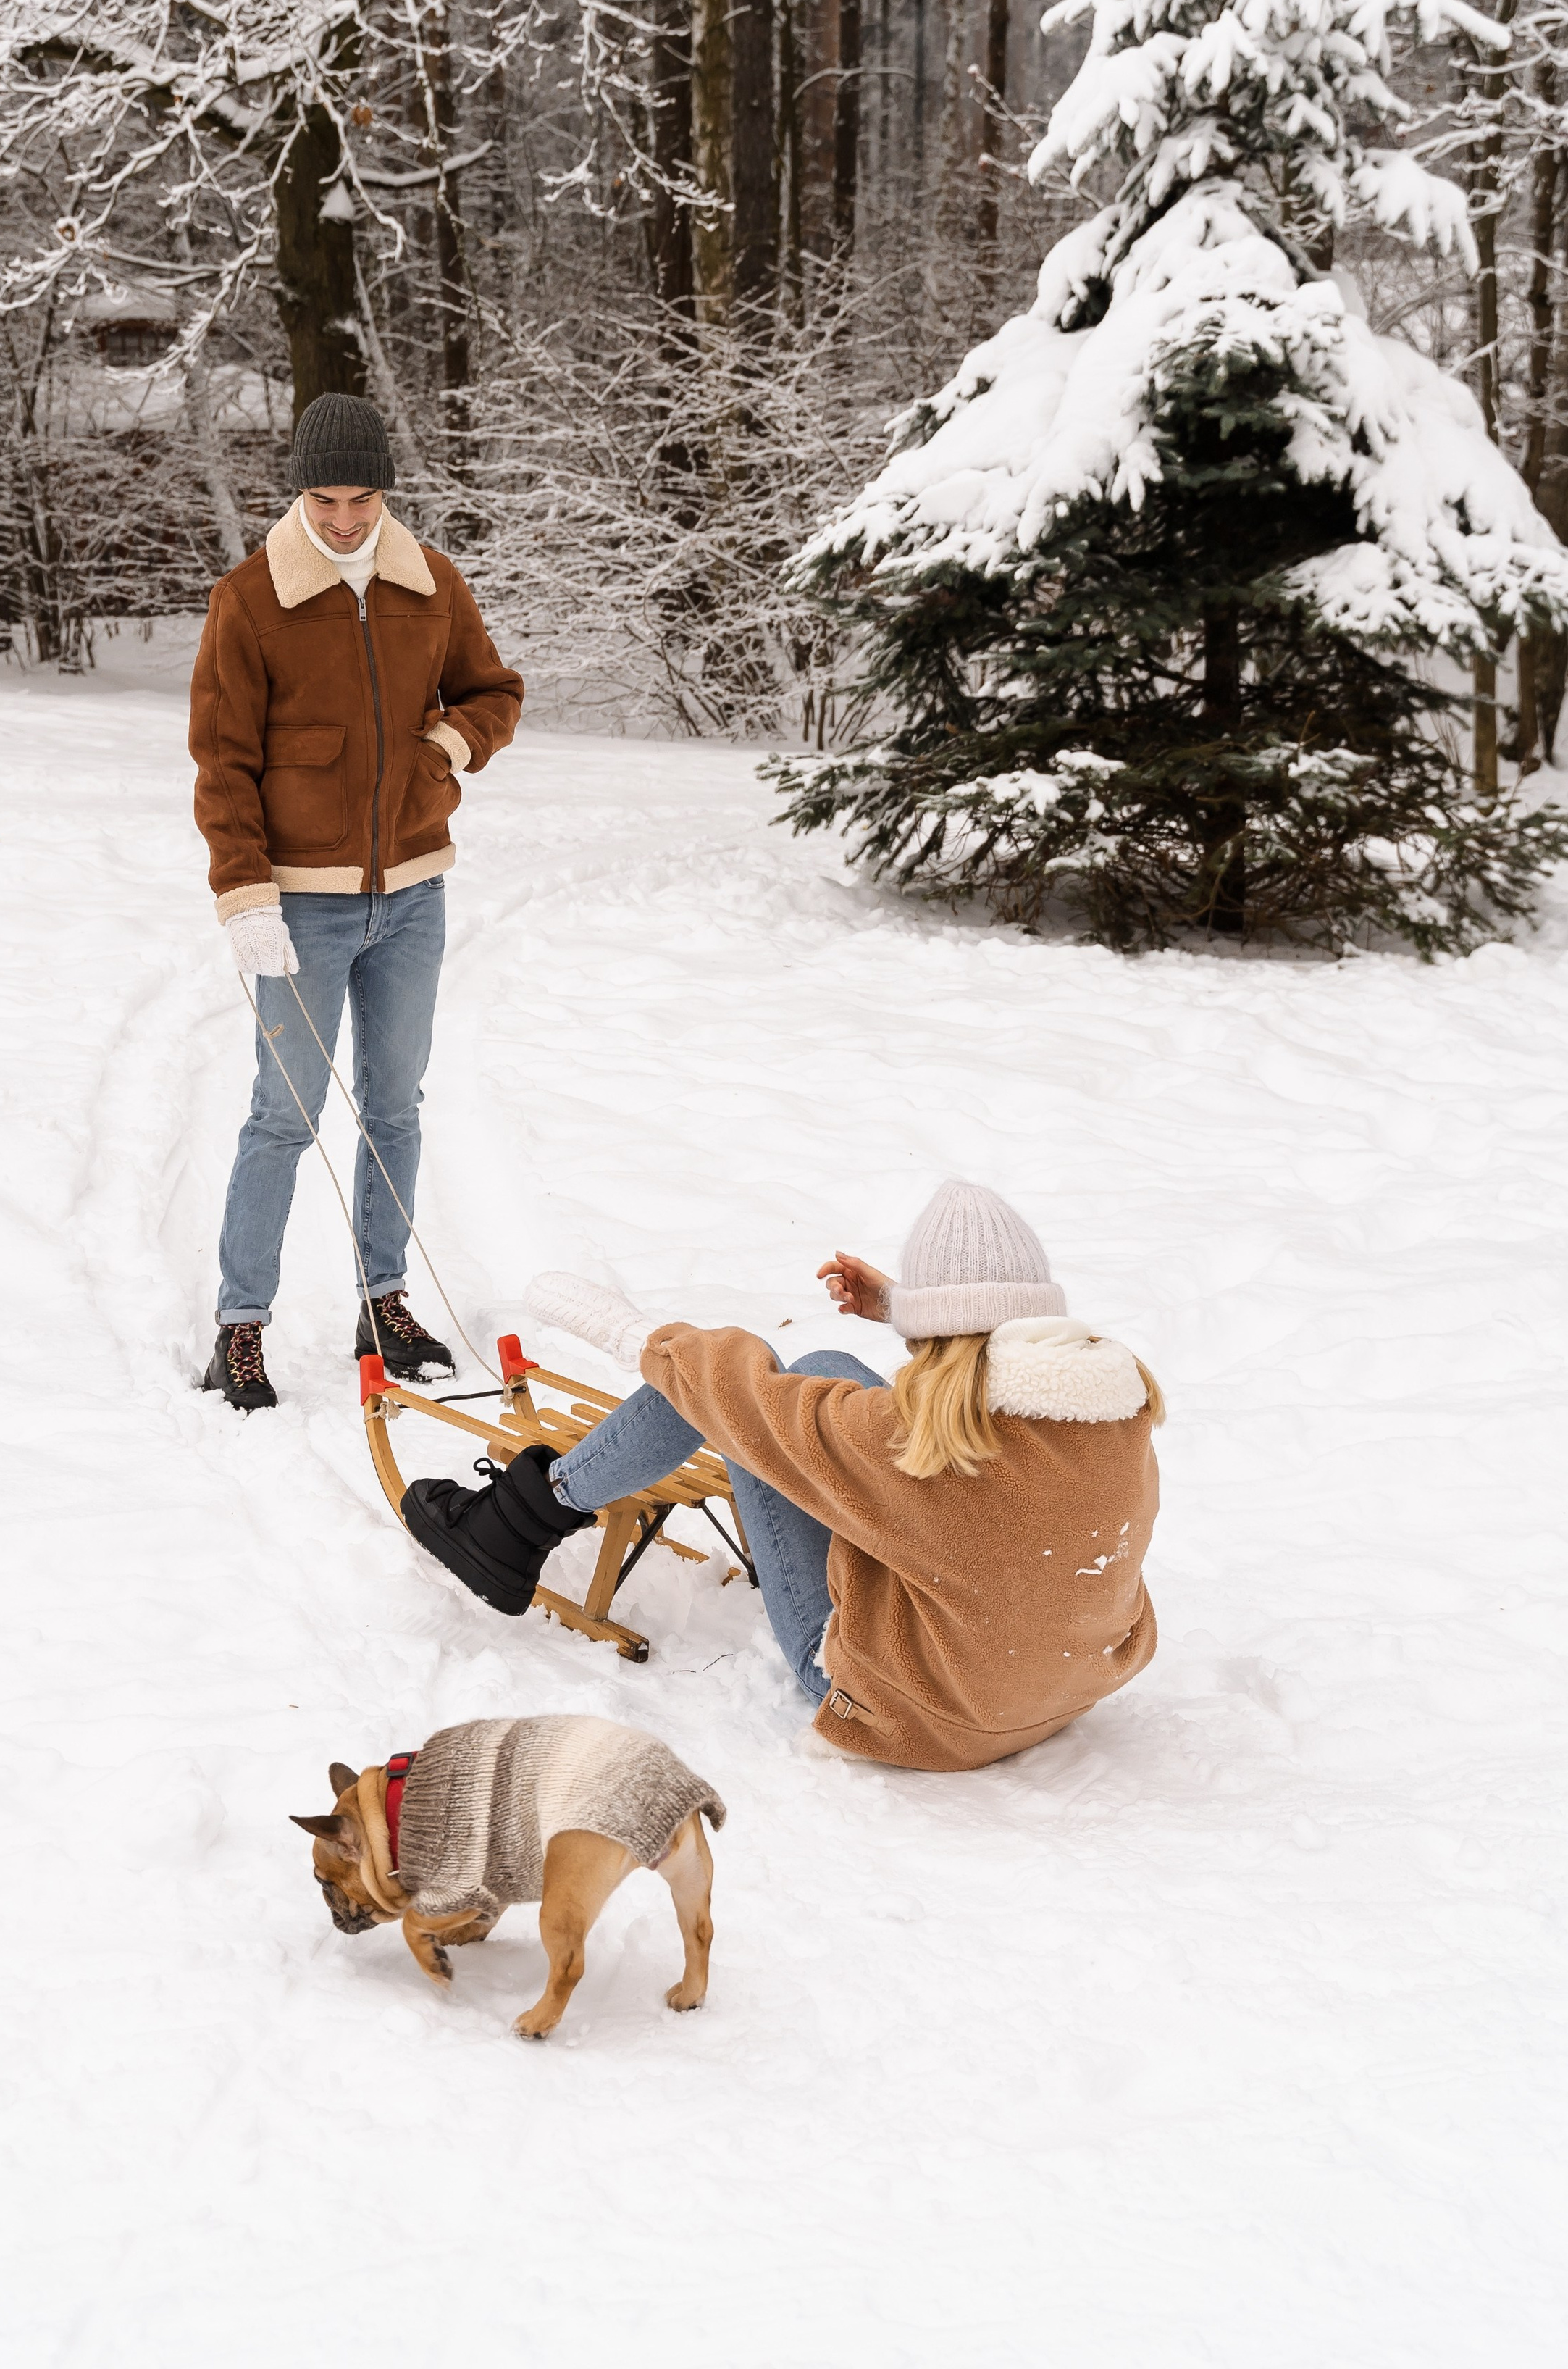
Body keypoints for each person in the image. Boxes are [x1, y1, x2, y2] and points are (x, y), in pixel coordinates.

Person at [402, 1180, 1162, 1771]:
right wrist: (903, 1305)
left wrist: (635, 1336)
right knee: (822, 1366)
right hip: (1062, 1687)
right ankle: (526, 1518)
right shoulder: (1112, 1411)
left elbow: (739, 1394)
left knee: (727, 1391)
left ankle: (513, 1525)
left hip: (914, 1708)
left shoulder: (901, 1440)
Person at [190, 393, 524, 1407]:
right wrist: (246, 892)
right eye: (325, 500)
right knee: (282, 1117)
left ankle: (384, 1303)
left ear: (385, 492)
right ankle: (240, 1327)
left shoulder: (431, 583)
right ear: (300, 493)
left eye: (362, 500)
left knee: (394, 1109)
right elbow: (223, 761)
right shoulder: (251, 599)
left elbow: (493, 693)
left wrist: (446, 748)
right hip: (302, 906)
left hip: (414, 896)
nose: (343, 520)